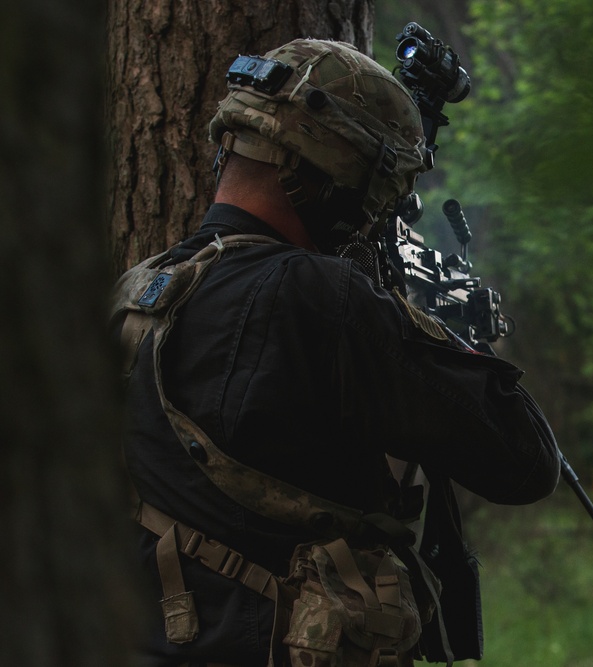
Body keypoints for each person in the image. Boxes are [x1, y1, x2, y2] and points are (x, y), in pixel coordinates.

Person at [112, 38, 561, 667]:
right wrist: (432, 321)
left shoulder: (139, 290)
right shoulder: (320, 299)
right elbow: (525, 460)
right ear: (336, 180)